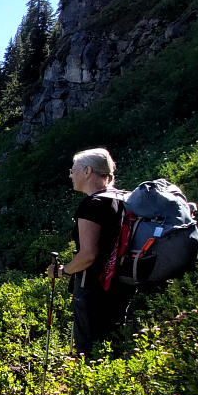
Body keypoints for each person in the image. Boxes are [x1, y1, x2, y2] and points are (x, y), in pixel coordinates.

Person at [46, 148, 135, 357]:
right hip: (120, 283)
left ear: (87, 171)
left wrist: (62, 271)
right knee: (114, 342)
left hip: (94, 286)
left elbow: (88, 255)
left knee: (89, 348)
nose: (70, 175)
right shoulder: (121, 198)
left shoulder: (92, 205)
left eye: (73, 170)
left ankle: (90, 383)